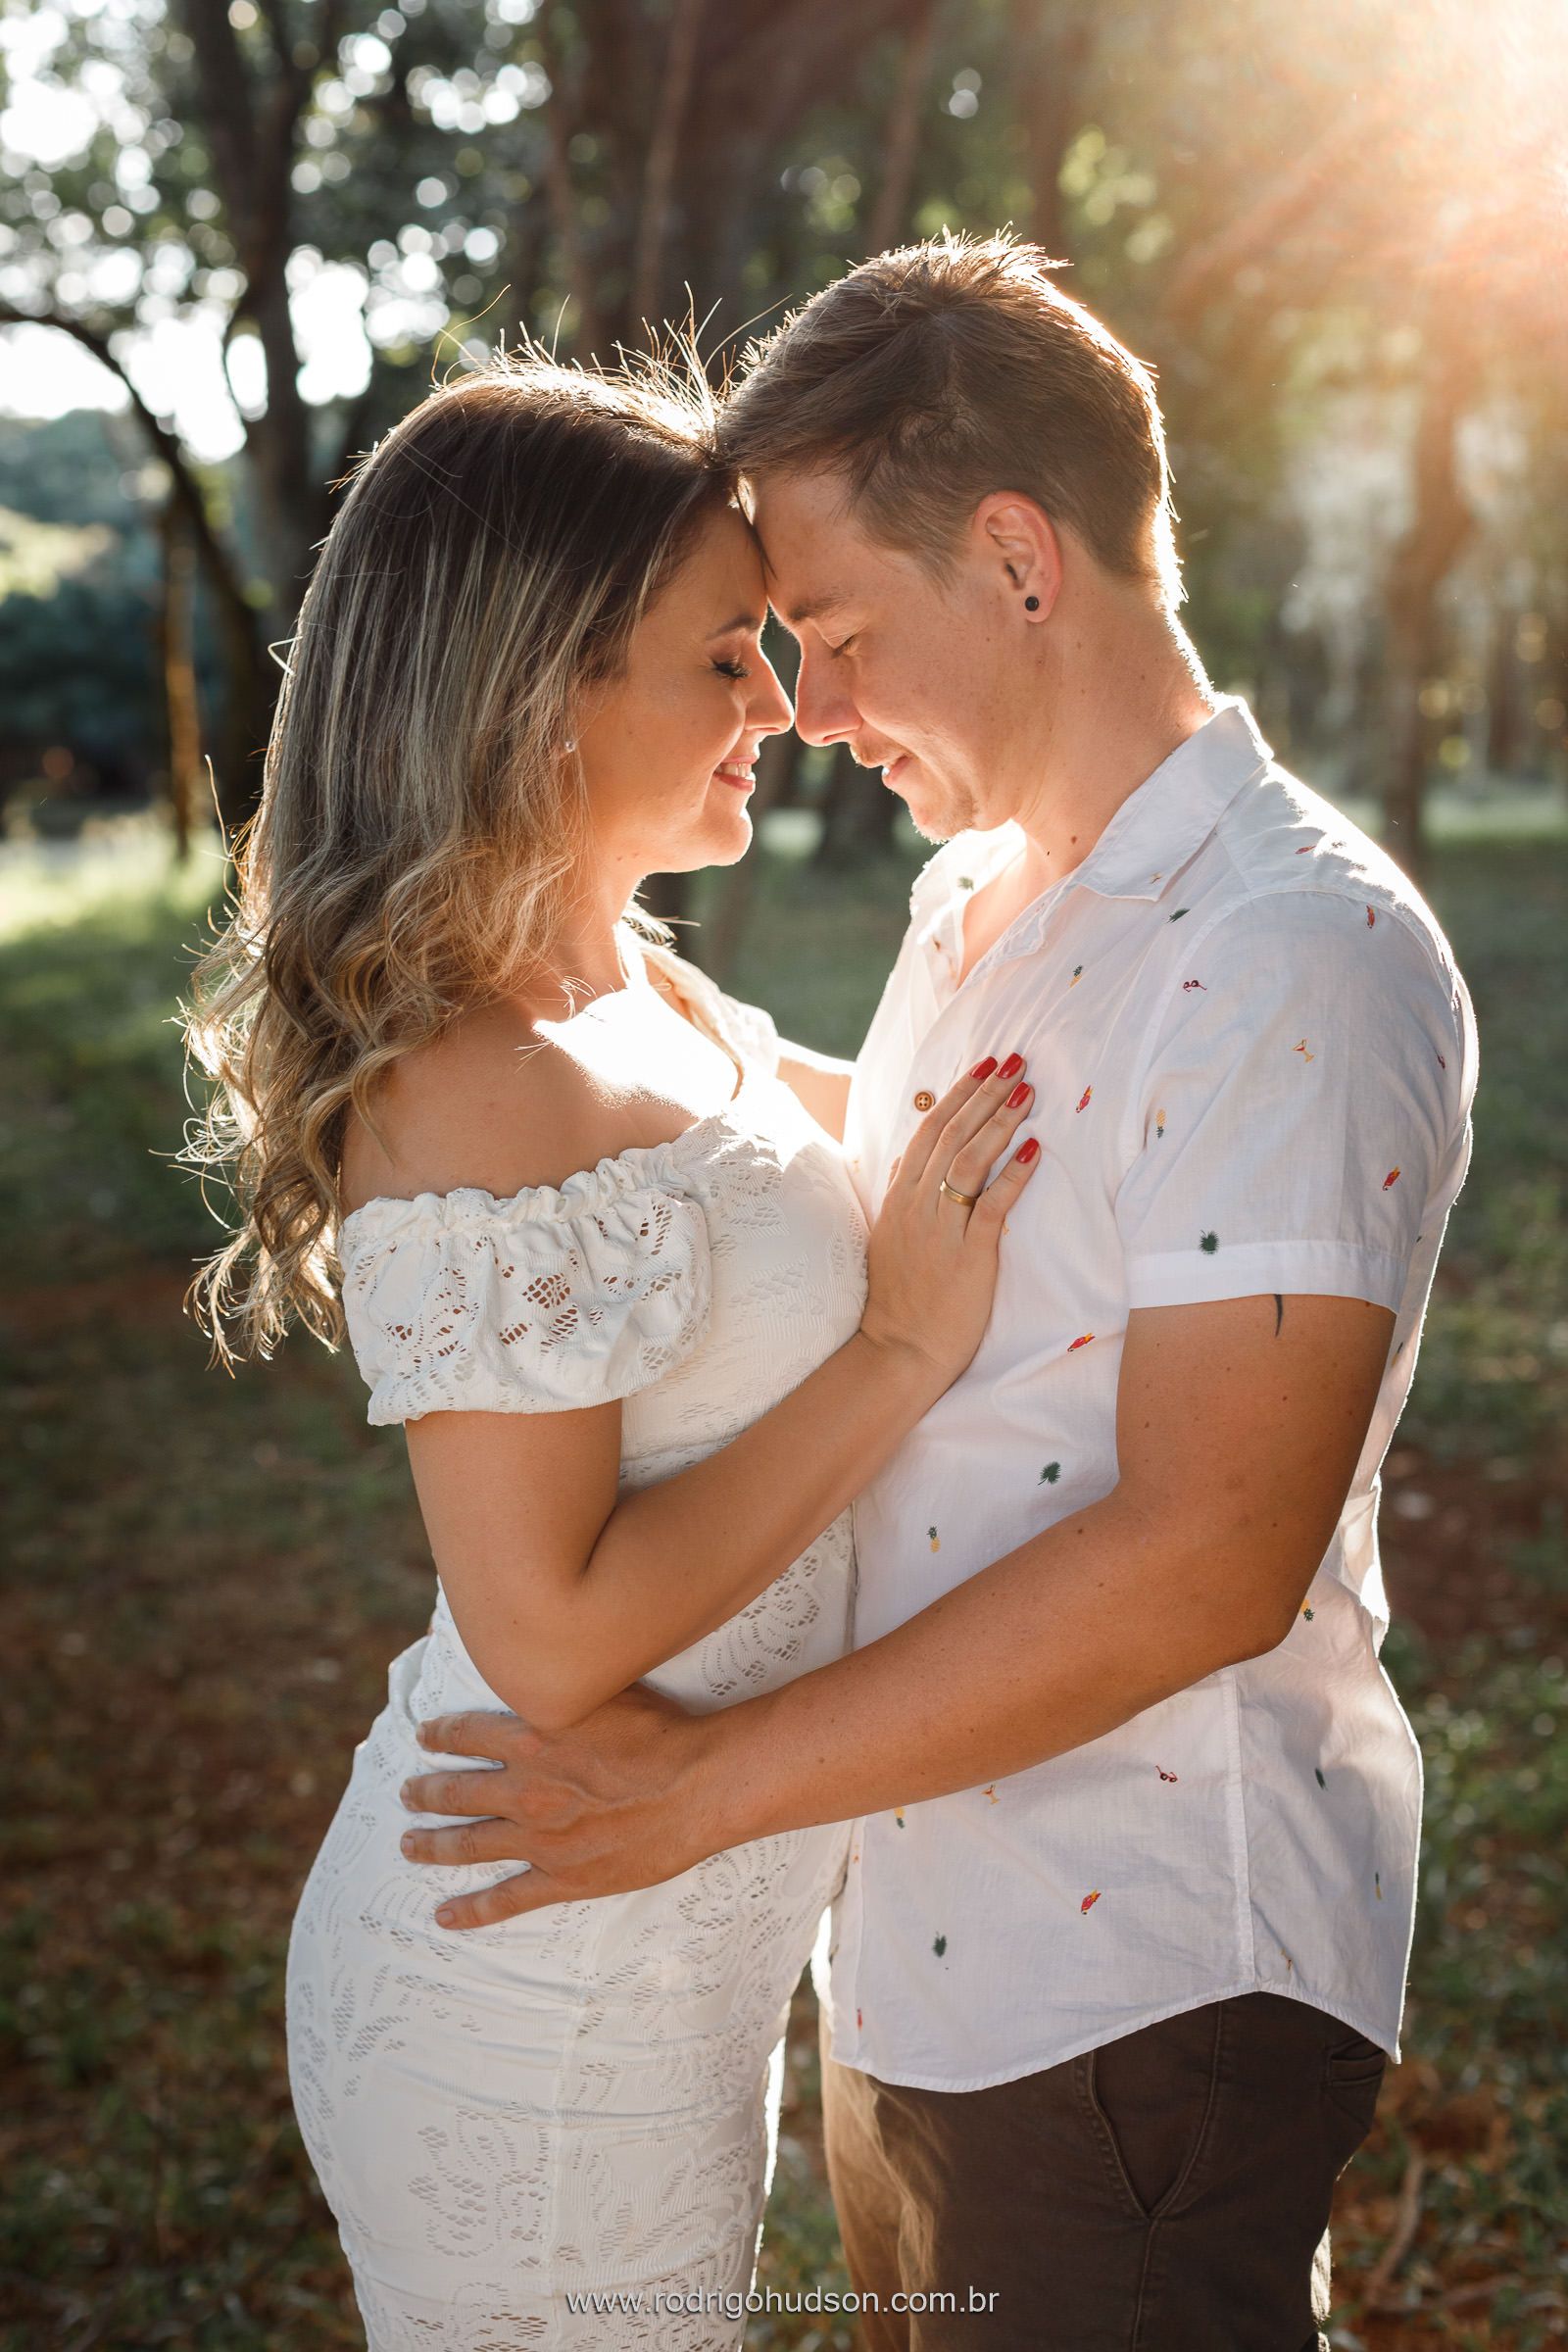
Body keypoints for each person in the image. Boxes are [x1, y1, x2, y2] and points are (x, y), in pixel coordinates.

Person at [396, 238, 1480, 2352]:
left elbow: (1201, 1560)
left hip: (1142, 1983)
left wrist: (694, 1793)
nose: (803, 712)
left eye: (829, 636)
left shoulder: (1285, 951)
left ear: (1014, 557)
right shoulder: (971, 897)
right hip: (905, 1947)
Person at [181, 351, 1043, 2349]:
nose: (781, 707)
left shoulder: (641, 983)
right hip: (528, 1986)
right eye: (719, 659)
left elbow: (931, 1135)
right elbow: (552, 1636)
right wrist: (895, 1349)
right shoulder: (470, 1085)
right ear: (538, 698)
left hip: (659, 1954)